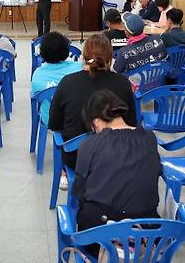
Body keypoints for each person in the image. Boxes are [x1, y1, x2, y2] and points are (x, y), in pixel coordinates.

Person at [74, 90, 161, 257]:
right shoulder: (150, 138)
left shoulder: (90, 144)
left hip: (100, 231)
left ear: (96, 122)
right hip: (146, 230)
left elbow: (79, 191)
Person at [48, 33, 137, 178]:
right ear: (110, 58)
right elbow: (131, 122)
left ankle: (66, 177)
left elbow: (54, 123)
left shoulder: (67, 82)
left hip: (77, 158)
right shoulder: (122, 82)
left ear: (84, 57)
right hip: (116, 155)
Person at [31, 32, 83, 126]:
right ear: (67, 50)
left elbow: (36, 95)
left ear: (42, 53)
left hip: (50, 119)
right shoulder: (80, 68)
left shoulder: (38, 74)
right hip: (77, 117)